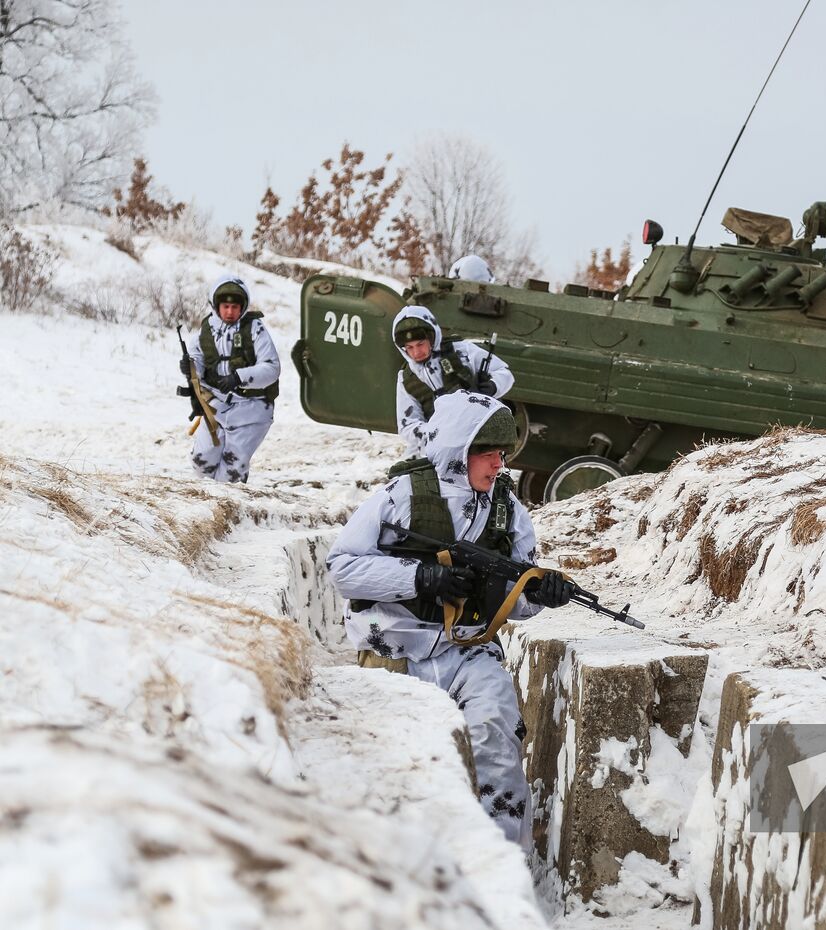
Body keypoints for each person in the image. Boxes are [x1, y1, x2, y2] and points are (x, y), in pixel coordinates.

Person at [326, 394, 572, 844]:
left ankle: (498, 863)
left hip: (469, 651)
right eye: (488, 453)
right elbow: (342, 568)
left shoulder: (506, 509)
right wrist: (421, 577)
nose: (499, 465)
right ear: (460, 449)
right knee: (399, 765)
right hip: (394, 651)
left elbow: (517, 597)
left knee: (497, 735)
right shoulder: (401, 495)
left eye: (503, 454)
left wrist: (539, 593)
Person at [180, 276, 281, 483]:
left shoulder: (255, 329)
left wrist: (239, 378)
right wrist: (189, 368)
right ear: (216, 305)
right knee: (202, 462)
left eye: (235, 307)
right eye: (225, 306)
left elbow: (272, 368)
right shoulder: (206, 330)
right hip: (215, 407)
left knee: (232, 472)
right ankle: (206, 505)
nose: (229, 312)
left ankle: (226, 509)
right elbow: (197, 359)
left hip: (251, 410)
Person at [393, 305, 515, 456]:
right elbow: (407, 426)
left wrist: (493, 387)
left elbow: (504, 372)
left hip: (478, 436)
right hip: (434, 448)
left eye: (420, 344)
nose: (416, 352)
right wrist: (437, 432)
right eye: (409, 348)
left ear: (431, 339)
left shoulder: (460, 351)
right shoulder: (407, 378)